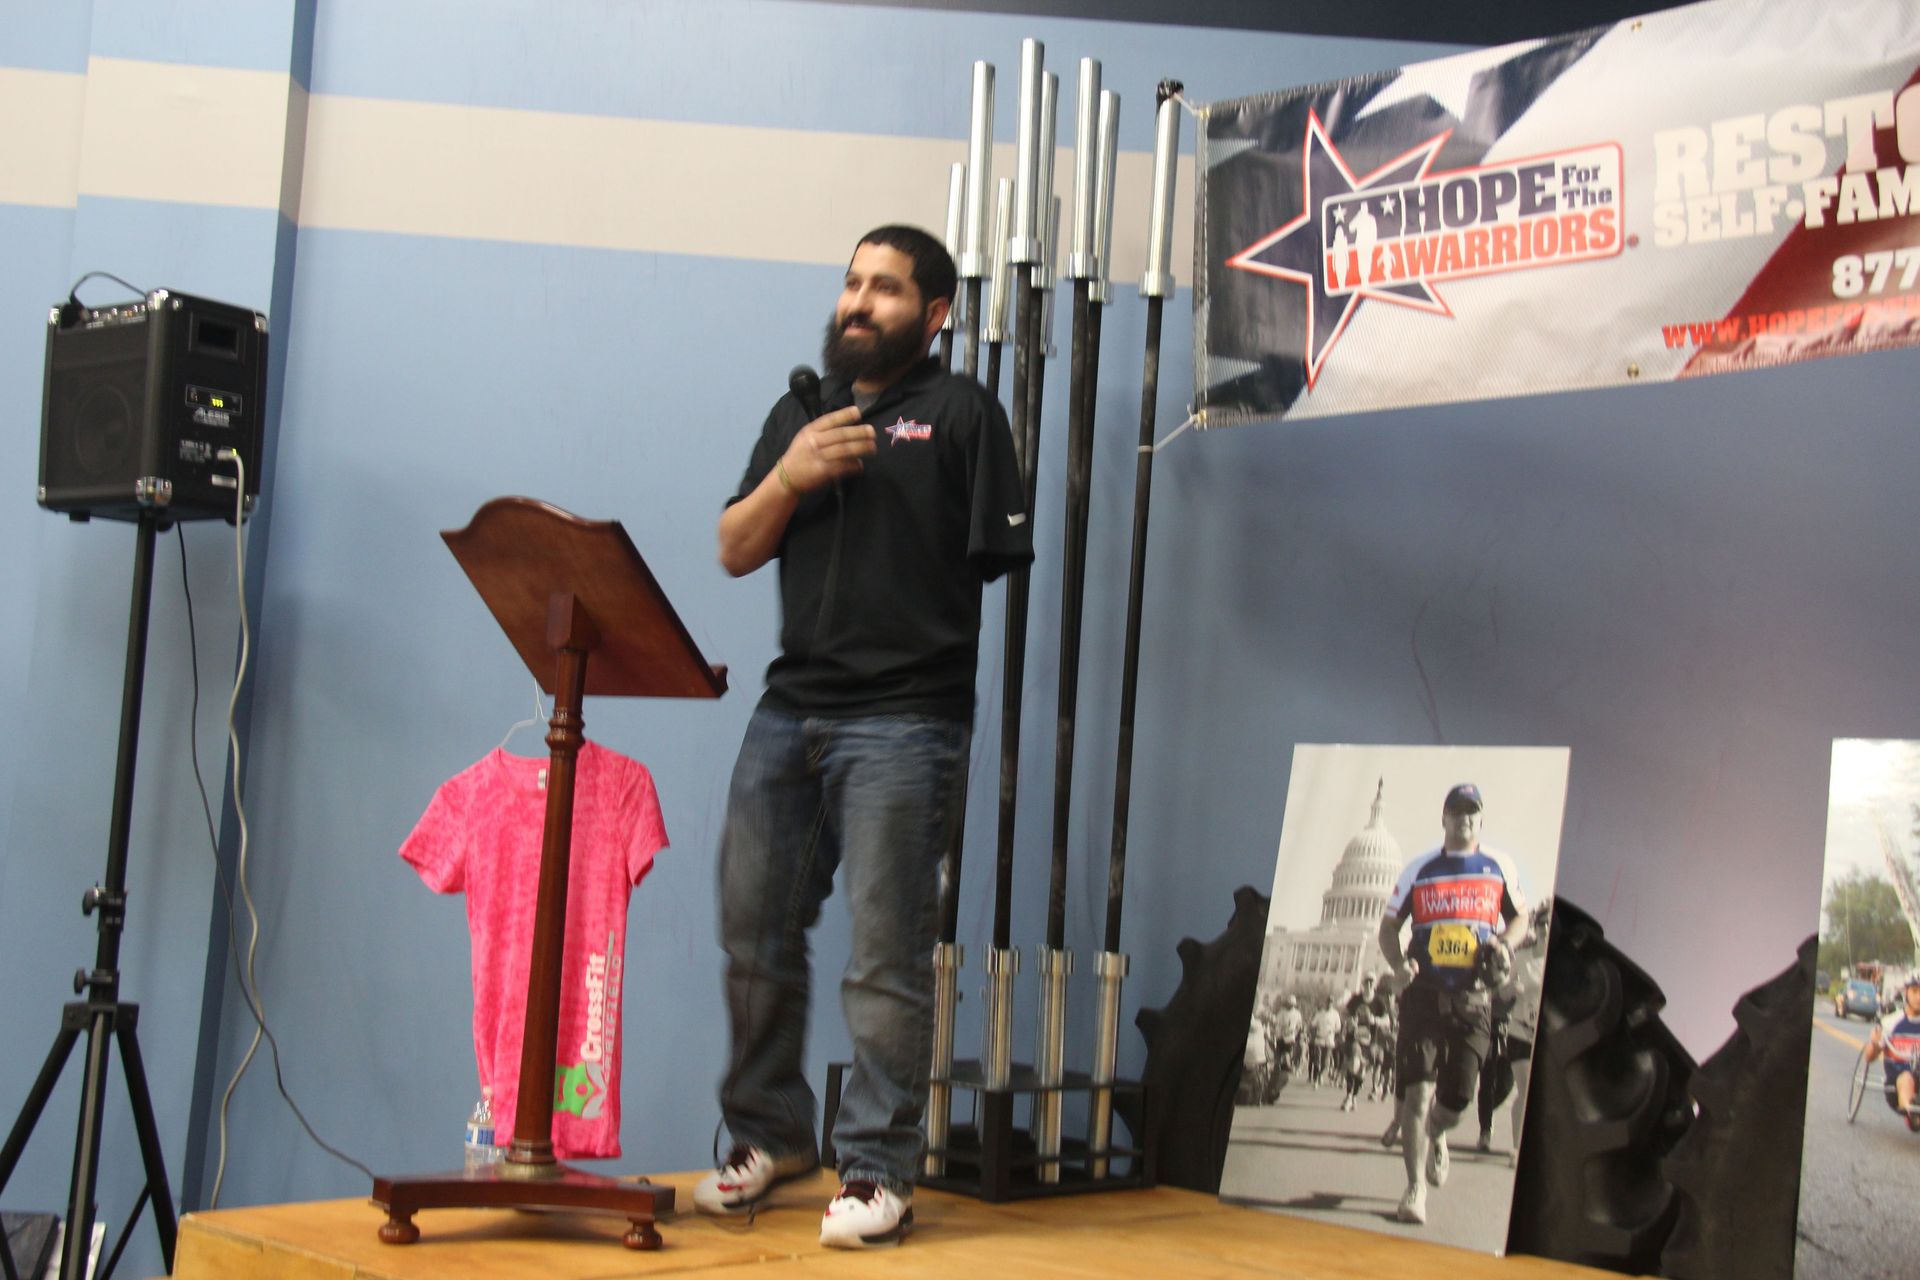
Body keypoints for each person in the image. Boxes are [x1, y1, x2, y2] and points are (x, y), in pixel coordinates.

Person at [694, 225, 1032, 1248]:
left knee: (884, 956)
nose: (858, 301)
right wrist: (792, 474)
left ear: (934, 314)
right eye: (852, 282)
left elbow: (989, 558)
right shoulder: (800, 411)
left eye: (885, 287)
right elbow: (733, 546)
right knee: (753, 934)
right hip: (787, 711)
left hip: (906, 720)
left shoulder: (964, 411)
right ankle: (770, 1136)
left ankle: (878, 1169)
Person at [1378, 782, 1527, 1226]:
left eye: (1471, 812)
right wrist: (1398, 966)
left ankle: (1437, 1135)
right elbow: (1388, 928)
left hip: (1474, 998)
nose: (1464, 818)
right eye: (1456, 811)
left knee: (1456, 1101)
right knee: (1418, 1094)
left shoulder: (1499, 866)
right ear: (1443, 818)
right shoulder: (1419, 868)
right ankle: (1414, 1190)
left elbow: (1519, 918)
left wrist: (1503, 943)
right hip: (1423, 996)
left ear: (1481, 819)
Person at [1867, 974, 1920, 1129]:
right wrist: (1875, 1043)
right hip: (1897, 1086)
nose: (1919, 997)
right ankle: (1912, 1114)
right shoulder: (1890, 1022)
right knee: (1906, 1077)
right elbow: (1869, 1058)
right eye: (1915, 991)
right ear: (1906, 992)